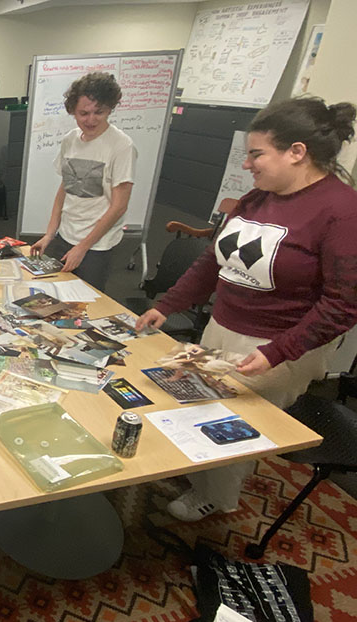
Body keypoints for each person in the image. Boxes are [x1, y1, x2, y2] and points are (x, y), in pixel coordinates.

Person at [136, 97, 357, 521]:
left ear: (297, 152)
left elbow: (343, 305)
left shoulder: (341, 211)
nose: (248, 165)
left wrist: (277, 351)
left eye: (257, 154)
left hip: (280, 345)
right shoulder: (258, 197)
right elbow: (211, 262)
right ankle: (205, 474)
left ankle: (217, 498)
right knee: (197, 406)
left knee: (229, 423)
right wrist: (168, 305)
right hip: (223, 326)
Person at [30, 72, 136, 292]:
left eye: (99, 112)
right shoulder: (70, 140)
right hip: (66, 234)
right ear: (73, 111)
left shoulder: (121, 146)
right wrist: (50, 233)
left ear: (110, 109)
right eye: (83, 113)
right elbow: (64, 189)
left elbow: (119, 206)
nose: (91, 120)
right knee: (51, 293)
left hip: (97, 244)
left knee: (84, 302)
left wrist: (83, 246)